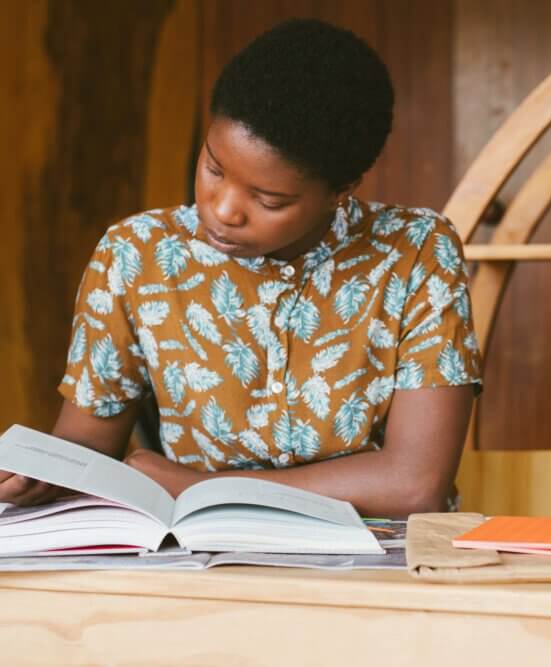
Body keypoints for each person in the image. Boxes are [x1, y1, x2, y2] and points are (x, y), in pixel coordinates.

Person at [0, 19, 482, 518]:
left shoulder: (416, 251)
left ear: (341, 190)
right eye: (213, 167)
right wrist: (39, 472)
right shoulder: (137, 254)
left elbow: (413, 486)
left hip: (375, 566)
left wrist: (194, 486)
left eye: (268, 199)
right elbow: (86, 445)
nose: (223, 209)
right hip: (194, 562)